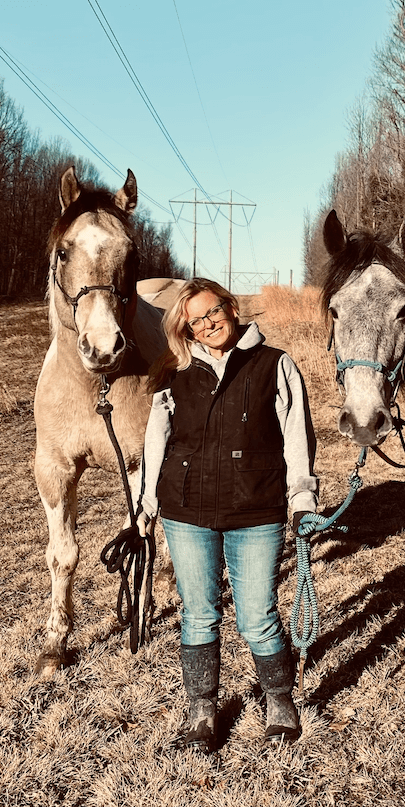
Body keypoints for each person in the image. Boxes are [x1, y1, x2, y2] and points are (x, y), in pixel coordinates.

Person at [137, 277, 319, 753]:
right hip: (187, 510)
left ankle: (279, 701)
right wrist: (144, 505)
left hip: (256, 509)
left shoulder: (274, 364)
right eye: (194, 320)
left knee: (258, 615)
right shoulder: (171, 372)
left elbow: (298, 437)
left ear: (230, 306)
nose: (206, 324)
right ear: (185, 329)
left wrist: (301, 499)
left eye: (212, 311)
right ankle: (201, 711)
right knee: (198, 615)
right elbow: (155, 441)